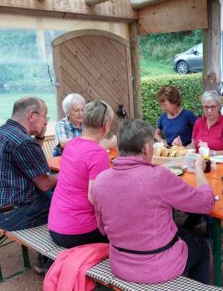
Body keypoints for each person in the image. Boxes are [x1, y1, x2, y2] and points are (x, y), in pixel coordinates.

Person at [91, 119, 215, 284]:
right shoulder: (158, 177)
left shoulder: (100, 180)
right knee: (201, 248)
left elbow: (103, 229)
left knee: (180, 233)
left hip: (120, 264)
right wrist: (199, 169)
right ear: (147, 148)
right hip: (157, 267)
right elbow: (206, 203)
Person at [48, 101, 114, 248]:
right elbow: (94, 197)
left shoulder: (71, 145)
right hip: (78, 232)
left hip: (55, 226)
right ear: (106, 125)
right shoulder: (98, 154)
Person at [0, 97, 57, 231]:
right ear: (32, 115)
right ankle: (56, 248)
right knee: (74, 205)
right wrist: (72, 172)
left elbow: (28, 160)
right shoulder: (23, 141)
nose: (45, 121)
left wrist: (40, 136)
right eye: (45, 116)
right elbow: (45, 184)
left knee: (58, 198)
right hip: (18, 214)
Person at [188, 91, 223, 157]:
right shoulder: (198, 122)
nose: (209, 110)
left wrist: (212, 153)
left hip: (219, 164)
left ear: (219, 106)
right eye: (206, 107)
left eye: (212, 107)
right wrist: (180, 147)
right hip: (199, 163)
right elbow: (193, 147)